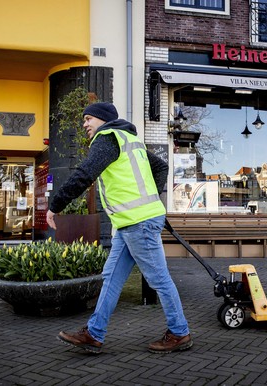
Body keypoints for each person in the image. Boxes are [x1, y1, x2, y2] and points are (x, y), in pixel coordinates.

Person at [46, 102, 192, 354]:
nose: (84, 124)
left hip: (139, 223)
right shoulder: (129, 140)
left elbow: (84, 174)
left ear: (102, 119)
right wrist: (152, 199)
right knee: (111, 278)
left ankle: (179, 333)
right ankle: (94, 333)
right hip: (130, 223)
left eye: (88, 118)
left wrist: (55, 205)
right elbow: (161, 166)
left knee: (159, 279)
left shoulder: (107, 139)